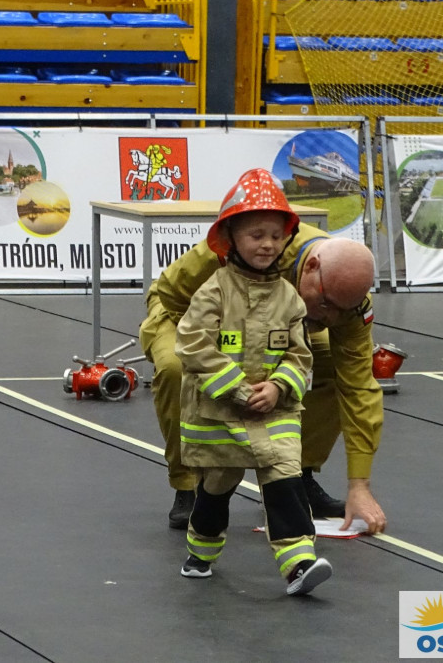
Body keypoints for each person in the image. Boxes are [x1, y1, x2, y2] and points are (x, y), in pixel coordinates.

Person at [140, 170, 387, 534]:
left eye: (341, 311)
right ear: (312, 267)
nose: (330, 317)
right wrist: (218, 357)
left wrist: (359, 485)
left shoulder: (346, 299)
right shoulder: (232, 248)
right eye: (326, 304)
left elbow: (360, 388)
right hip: (191, 314)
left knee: (330, 362)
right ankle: (189, 484)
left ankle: (295, 474)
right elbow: (171, 298)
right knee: (178, 369)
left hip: (271, 325)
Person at [175, 168, 332, 595]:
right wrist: (241, 390)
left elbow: (301, 354)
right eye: (256, 235)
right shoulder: (214, 291)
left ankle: (299, 563)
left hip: (274, 414)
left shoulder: (290, 298)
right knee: (218, 485)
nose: (267, 244)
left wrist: (280, 387)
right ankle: (201, 550)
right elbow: (192, 345)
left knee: (285, 476)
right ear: (231, 239)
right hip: (219, 413)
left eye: (276, 236)